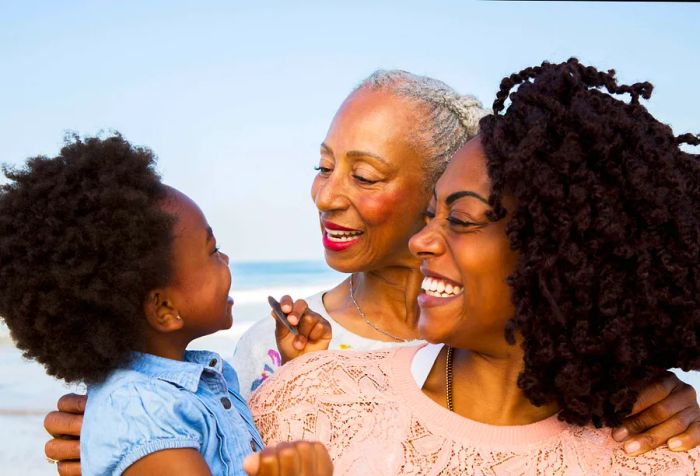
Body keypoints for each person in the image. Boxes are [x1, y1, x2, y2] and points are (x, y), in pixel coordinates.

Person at [44, 70, 700, 473]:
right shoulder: (297, 383)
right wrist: (116, 433)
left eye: (364, 175)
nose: (327, 196)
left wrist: (657, 388)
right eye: (323, 165)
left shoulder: (645, 436)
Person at [248, 59, 700, 474]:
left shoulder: (661, 453)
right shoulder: (310, 400)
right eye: (431, 214)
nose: (421, 241)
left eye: (460, 220)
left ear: (561, 252)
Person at [0, 135, 331, 476]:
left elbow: (239, 442)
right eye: (212, 250)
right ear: (164, 309)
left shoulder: (201, 380)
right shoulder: (139, 410)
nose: (226, 258)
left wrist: (293, 366)